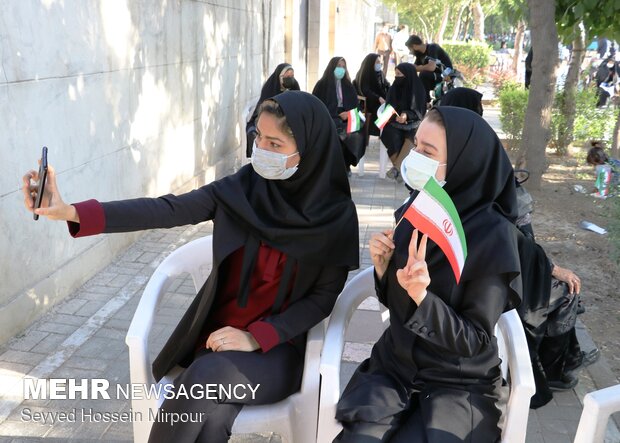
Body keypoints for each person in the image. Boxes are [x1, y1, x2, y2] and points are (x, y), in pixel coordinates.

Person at [23, 91, 359, 443]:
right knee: (210, 420)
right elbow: (165, 209)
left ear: (310, 150)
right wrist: (72, 212)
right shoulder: (241, 190)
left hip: (278, 351)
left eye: (275, 143)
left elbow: (322, 299)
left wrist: (254, 337)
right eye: (258, 136)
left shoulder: (334, 218)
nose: (261, 149)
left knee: (202, 380)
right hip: (215, 341)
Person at [334, 106, 522, 442]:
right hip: (395, 368)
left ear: (464, 163)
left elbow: (474, 340)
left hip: (458, 382)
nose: (414, 156)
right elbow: (398, 307)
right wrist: (383, 271)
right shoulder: (417, 208)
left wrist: (422, 297)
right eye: (416, 145)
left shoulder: (494, 236)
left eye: (427, 152)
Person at [313, 57, 365, 175]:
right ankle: (337, 167)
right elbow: (316, 105)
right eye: (338, 66)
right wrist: (336, 115)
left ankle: (346, 164)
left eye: (343, 67)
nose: (341, 69)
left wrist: (349, 114)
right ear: (332, 67)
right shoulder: (322, 85)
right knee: (338, 134)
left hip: (347, 117)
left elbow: (356, 107)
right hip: (329, 116)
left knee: (355, 133)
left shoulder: (348, 85)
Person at [379, 63, 426, 181]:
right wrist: (396, 115)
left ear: (408, 75)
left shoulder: (418, 89)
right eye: (396, 74)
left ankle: (397, 168)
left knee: (414, 134)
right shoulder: (394, 88)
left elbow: (419, 111)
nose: (397, 77)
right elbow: (389, 108)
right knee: (389, 133)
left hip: (414, 122)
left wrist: (406, 115)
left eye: (399, 74)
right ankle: (402, 170)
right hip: (395, 122)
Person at [245, 63, 300, 157]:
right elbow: (264, 111)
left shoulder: (294, 88)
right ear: (280, 76)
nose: (290, 77)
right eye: (287, 75)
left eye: (292, 75)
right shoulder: (270, 89)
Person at [406, 35, 453, 104]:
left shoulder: (432, 48)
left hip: (445, 76)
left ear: (414, 46)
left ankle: (425, 102)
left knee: (423, 74)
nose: (410, 52)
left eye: (410, 49)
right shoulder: (419, 55)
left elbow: (431, 67)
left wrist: (418, 68)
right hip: (433, 76)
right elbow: (415, 68)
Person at [354, 53, 391, 138]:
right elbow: (366, 90)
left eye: (380, 62)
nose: (380, 64)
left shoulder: (379, 73)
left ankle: (383, 133)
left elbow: (386, 85)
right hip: (368, 102)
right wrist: (378, 98)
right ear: (371, 63)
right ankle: (380, 132)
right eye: (377, 62)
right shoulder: (365, 74)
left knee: (391, 107)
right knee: (383, 110)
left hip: (381, 101)